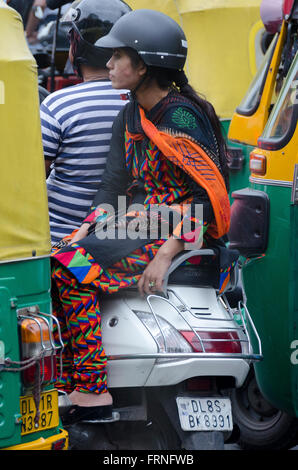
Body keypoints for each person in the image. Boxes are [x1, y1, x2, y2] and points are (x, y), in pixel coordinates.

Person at [51, 9, 231, 425]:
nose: (108, 65)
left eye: (117, 57)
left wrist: (166, 253)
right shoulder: (129, 114)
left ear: (144, 66)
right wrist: (83, 229)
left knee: (67, 270)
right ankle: (70, 377)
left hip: (187, 231)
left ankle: (93, 389)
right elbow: (111, 189)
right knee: (57, 252)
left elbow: (210, 197)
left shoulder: (181, 116)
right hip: (140, 224)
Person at [40, 0, 131, 244]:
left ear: (76, 46)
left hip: (61, 242)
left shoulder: (59, 104)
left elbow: (34, 177)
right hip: (124, 240)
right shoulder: (142, 100)